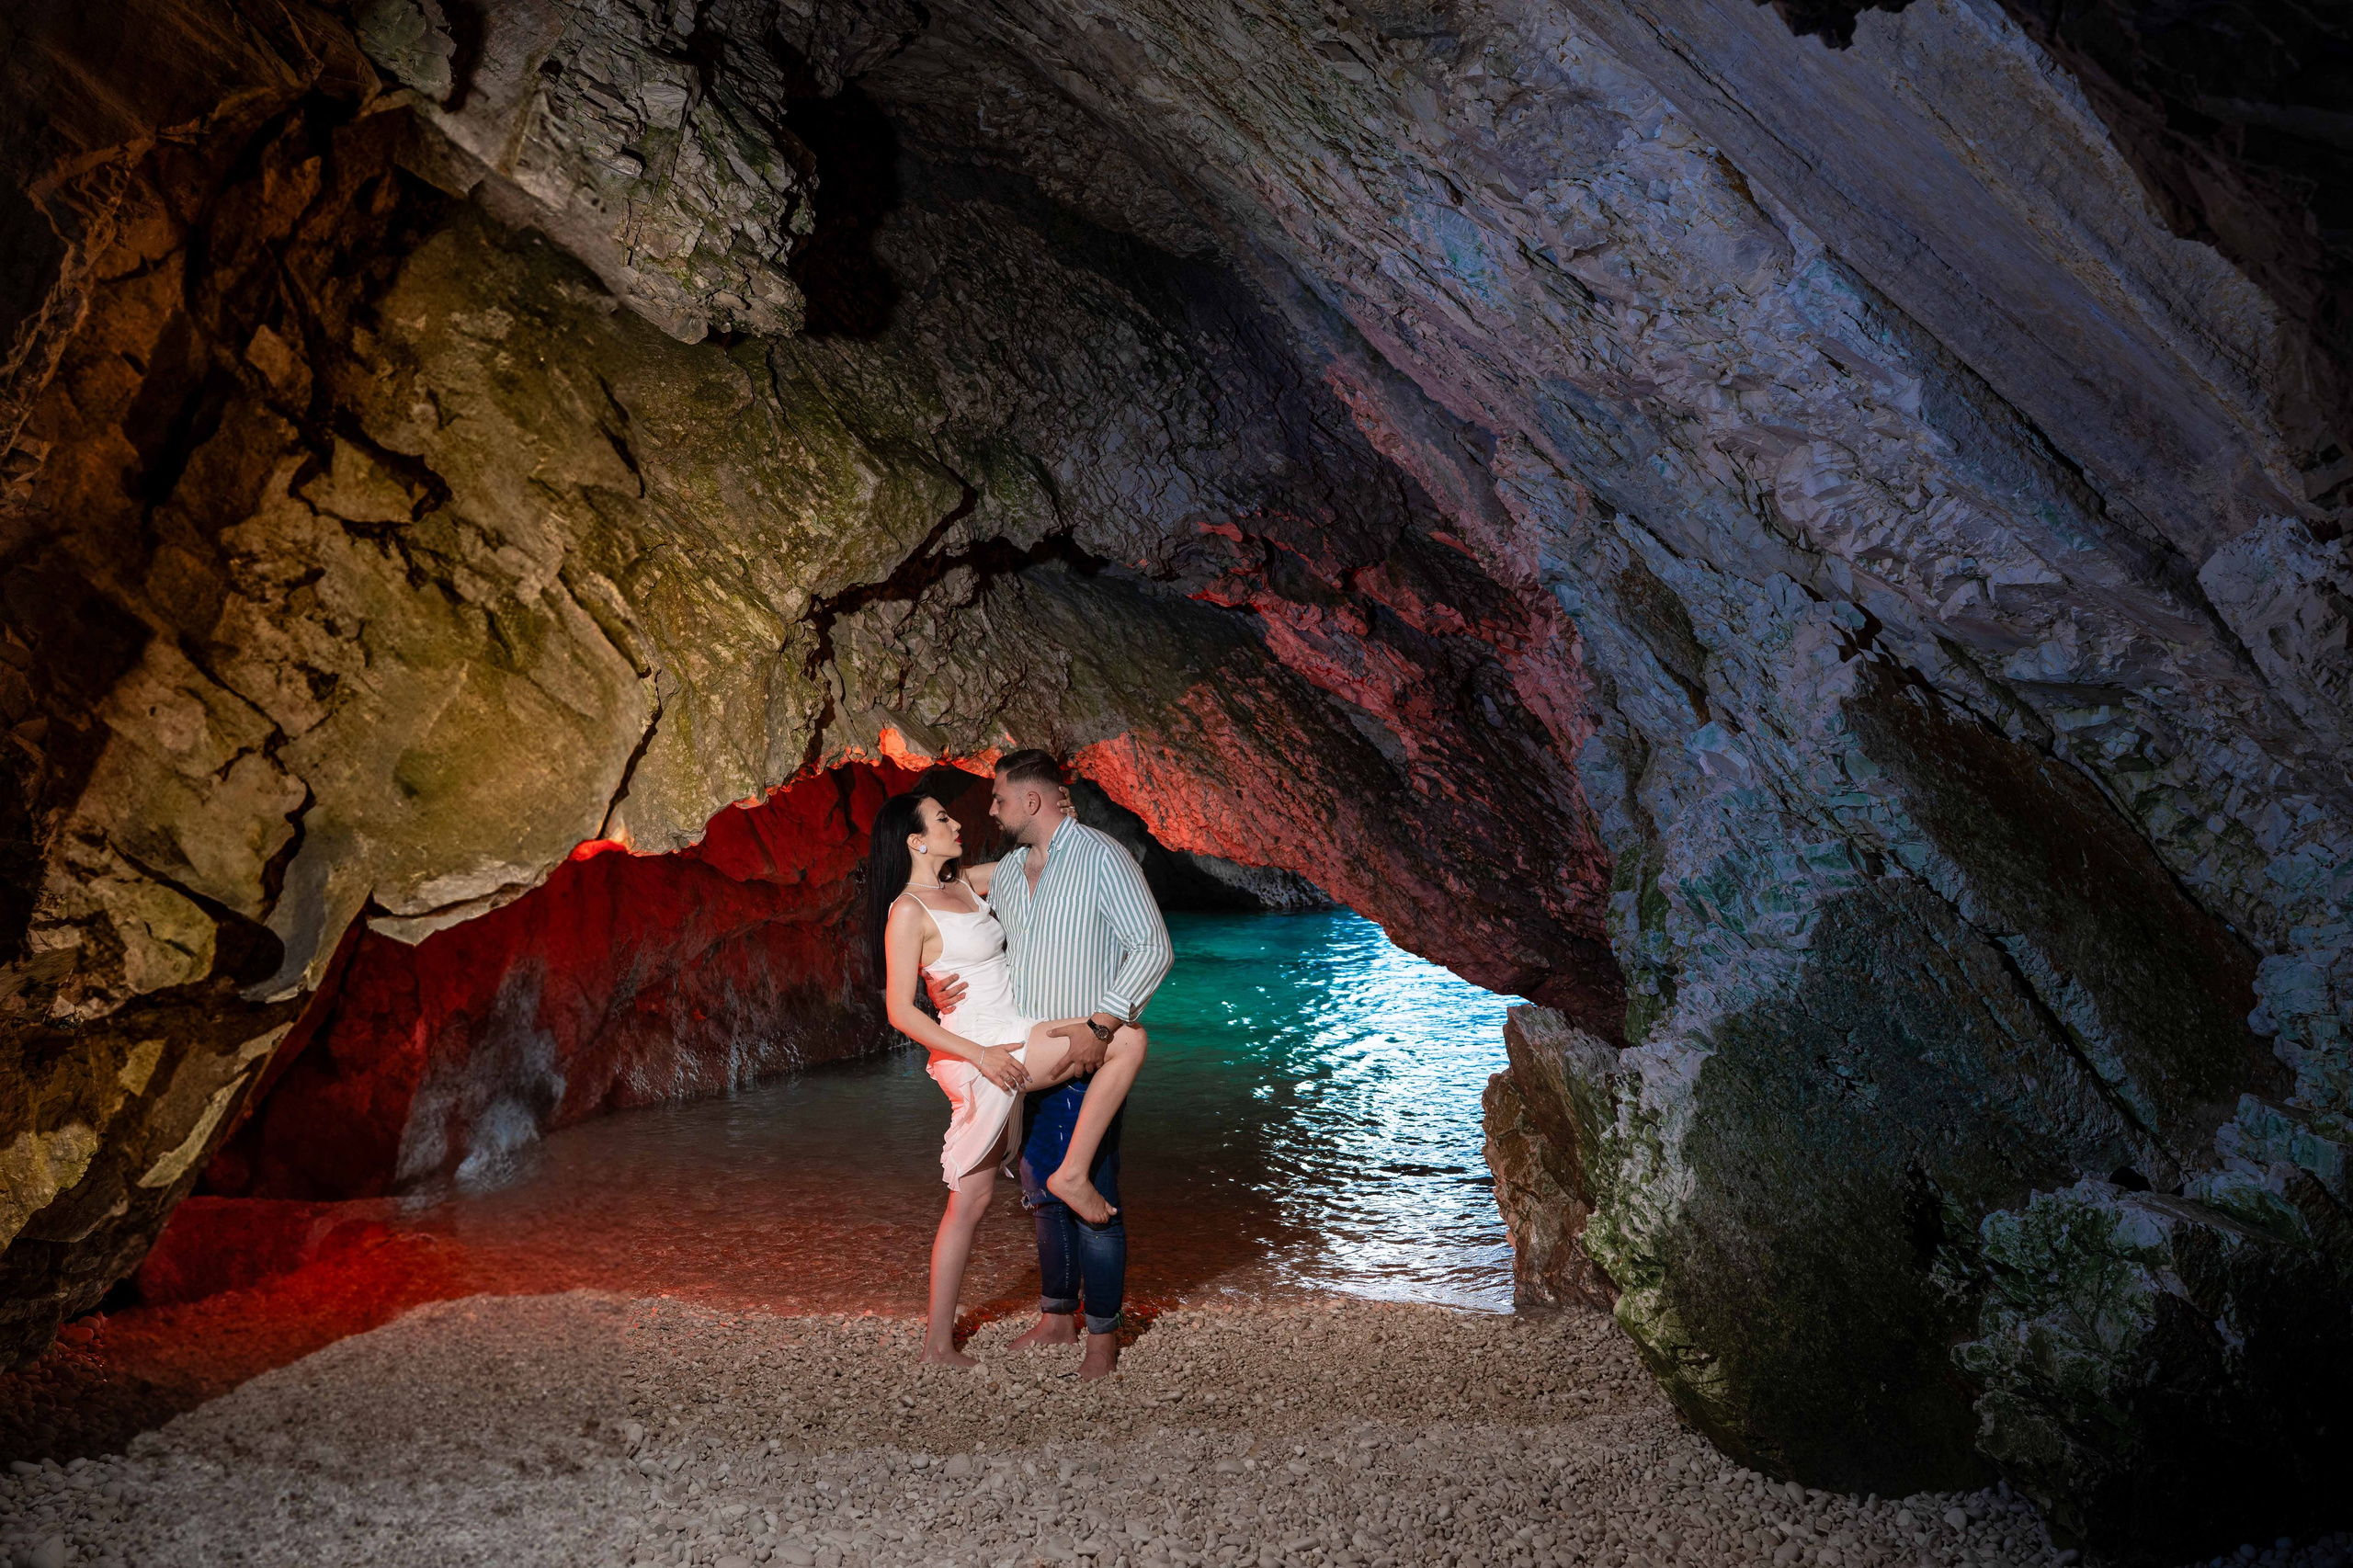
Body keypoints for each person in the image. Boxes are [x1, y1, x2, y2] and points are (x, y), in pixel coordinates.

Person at [866, 778, 1154, 1369]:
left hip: (1016, 1031)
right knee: (966, 1204)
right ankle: (937, 1347)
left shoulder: (967, 884)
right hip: (979, 1053)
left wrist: (1060, 814)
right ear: (916, 841)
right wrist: (979, 1054)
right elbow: (898, 1012)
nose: (957, 824)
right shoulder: (906, 911)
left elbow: (1036, 855)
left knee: (1123, 1037)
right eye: (942, 819)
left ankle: (1069, 1174)